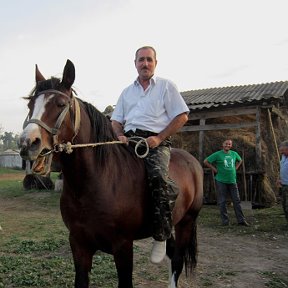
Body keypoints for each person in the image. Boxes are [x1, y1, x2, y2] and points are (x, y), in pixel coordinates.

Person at [111, 46, 189, 264]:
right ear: (134, 63)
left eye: (149, 60)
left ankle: (162, 235)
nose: (145, 64)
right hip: (128, 141)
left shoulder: (166, 86)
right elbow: (116, 120)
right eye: (141, 60)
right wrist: (118, 133)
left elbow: (182, 116)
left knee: (157, 178)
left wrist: (160, 138)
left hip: (155, 143)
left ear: (155, 63)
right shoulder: (126, 92)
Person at [204, 139, 250, 226]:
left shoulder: (234, 154)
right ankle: (225, 221)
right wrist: (214, 169)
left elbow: (240, 160)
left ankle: (241, 220)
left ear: (231, 146)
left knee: (236, 201)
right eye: (226, 144)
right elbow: (206, 161)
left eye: (229, 144)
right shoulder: (218, 154)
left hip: (232, 180)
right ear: (223, 144)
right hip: (221, 181)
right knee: (222, 201)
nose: (227, 145)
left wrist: (235, 168)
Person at [278, 141, 288, 224]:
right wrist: (279, 178)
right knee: (284, 205)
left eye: (282, 150)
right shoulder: (283, 157)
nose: (281, 152)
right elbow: (282, 169)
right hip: (284, 185)